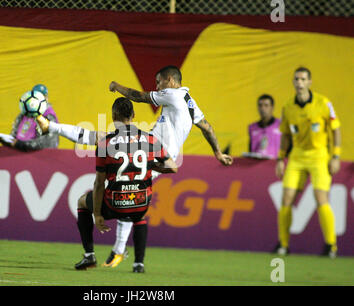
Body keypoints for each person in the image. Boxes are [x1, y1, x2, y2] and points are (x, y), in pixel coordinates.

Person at [38, 65, 233, 267]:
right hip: (157, 156)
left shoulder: (172, 94)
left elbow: (138, 96)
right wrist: (217, 152)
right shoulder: (190, 103)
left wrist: (116, 86)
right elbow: (207, 128)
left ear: (170, 80)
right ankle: (119, 250)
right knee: (127, 190)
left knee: (103, 142)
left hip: (151, 151)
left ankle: (50, 126)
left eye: (159, 82)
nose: (157, 87)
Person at [74, 97, 177, 273]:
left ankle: (89, 255)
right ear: (134, 115)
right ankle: (139, 264)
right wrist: (152, 167)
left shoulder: (105, 143)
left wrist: (98, 215)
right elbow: (172, 167)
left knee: (82, 201)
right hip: (141, 203)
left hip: (115, 204)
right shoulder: (151, 140)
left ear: (114, 116)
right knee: (139, 215)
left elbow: (99, 183)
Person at [274, 67, 341, 258]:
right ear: (293, 82)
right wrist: (280, 158)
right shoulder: (288, 107)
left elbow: (336, 130)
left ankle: (331, 246)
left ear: (310, 82)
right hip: (297, 156)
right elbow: (285, 135)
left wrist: (335, 156)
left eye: (303, 79)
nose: (299, 82)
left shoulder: (323, 103)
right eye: (296, 79)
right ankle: (283, 245)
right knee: (286, 198)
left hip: (319, 155)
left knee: (321, 199)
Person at [0, 85, 59, 151]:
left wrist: (23, 145)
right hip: (18, 154)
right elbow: (15, 134)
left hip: (37, 158)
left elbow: (48, 143)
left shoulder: (48, 116)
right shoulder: (25, 113)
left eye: (42, 96)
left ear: (46, 98)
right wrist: (7, 141)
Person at [247, 94, 281, 159]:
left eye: (266, 105)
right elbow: (250, 149)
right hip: (256, 165)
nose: (263, 108)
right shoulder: (252, 127)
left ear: (272, 107)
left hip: (274, 164)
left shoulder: (281, 125)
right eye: (260, 105)